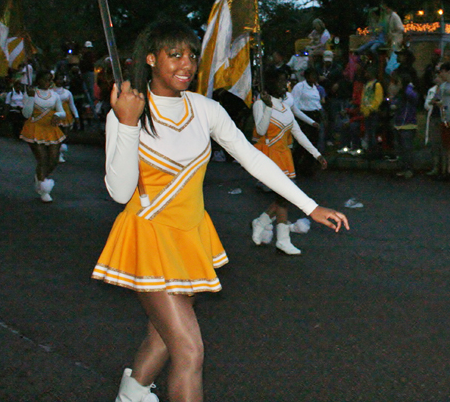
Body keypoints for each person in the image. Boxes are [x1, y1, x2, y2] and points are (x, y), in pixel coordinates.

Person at [91, 21, 348, 402]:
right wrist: (128, 124)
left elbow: (252, 159)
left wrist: (309, 207)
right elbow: (119, 191)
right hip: (151, 239)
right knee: (189, 350)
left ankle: (132, 395)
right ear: (151, 59)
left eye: (191, 55)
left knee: (163, 333)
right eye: (174, 55)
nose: (187, 64)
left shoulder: (205, 109)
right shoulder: (128, 110)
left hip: (191, 236)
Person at [251, 69, 330, 254]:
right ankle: (282, 240)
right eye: (280, 81)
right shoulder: (260, 104)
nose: (285, 85)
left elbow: (298, 133)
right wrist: (268, 107)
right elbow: (261, 130)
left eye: (285, 81)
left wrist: (317, 154)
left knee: (285, 197)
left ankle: (261, 222)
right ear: (271, 84)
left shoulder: (285, 107)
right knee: (285, 197)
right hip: (269, 156)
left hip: (284, 156)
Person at [20, 69, 66, 203]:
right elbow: (26, 114)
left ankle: (40, 177)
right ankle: (44, 189)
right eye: (45, 79)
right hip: (35, 128)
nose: (48, 82)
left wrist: (57, 115)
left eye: (50, 80)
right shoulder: (31, 93)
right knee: (42, 159)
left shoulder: (54, 95)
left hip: (51, 128)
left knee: (54, 159)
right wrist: (30, 97)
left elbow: (62, 112)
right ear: (38, 80)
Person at [291, 67, 325, 175]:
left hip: (315, 116)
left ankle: (308, 168)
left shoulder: (315, 88)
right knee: (302, 144)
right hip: (304, 117)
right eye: (312, 75)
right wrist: (309, 121)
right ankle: (294, 166)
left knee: (313, 144)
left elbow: (317, 104)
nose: (314, 77)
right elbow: (294, 106)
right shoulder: (299, 87)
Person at [389, 71, 418, 178]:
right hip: (398, 123)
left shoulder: (409, 92)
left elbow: (413, 96)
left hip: (408, 124)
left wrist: (407, 87)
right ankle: (403, 168)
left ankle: (409, 169)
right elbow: (394, 102)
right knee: (400, 148)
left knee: (407, 148)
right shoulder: (400, 94)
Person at [53, 73, 79, 162]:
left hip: (66, 115)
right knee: (56, 135)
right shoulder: (50, 92)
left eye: (61, 79)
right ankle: (56, 153)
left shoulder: (67, 92)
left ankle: (59, 152)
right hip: (55, 114)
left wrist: (76, 116)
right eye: (58, 79)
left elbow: (72, 105)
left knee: (64, 136)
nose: (59, 81)